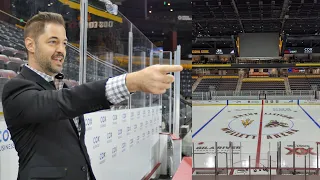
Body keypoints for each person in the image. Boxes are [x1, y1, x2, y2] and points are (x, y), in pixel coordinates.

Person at [1, 12, 183, 180]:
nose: (61, 50)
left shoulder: (59, 85)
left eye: (64, 43)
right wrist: (130, 82)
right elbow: (66, 102)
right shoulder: (16, 88)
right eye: (52, 42)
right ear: (30, 45)